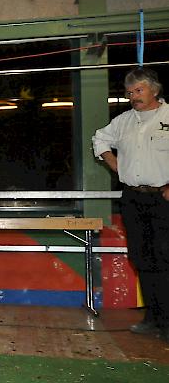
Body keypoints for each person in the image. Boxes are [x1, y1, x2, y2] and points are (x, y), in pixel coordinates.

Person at [92, 67, 169, 343]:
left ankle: (168, 322)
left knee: (165, 257)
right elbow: (99, 138)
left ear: (154, 90)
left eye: (139, 90)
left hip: (163, 198)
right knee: (142, 258)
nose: (133, 96)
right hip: (133, 198)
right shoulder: (124, 121)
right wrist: (116, 165)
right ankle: (153, 318)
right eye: (129, 92)